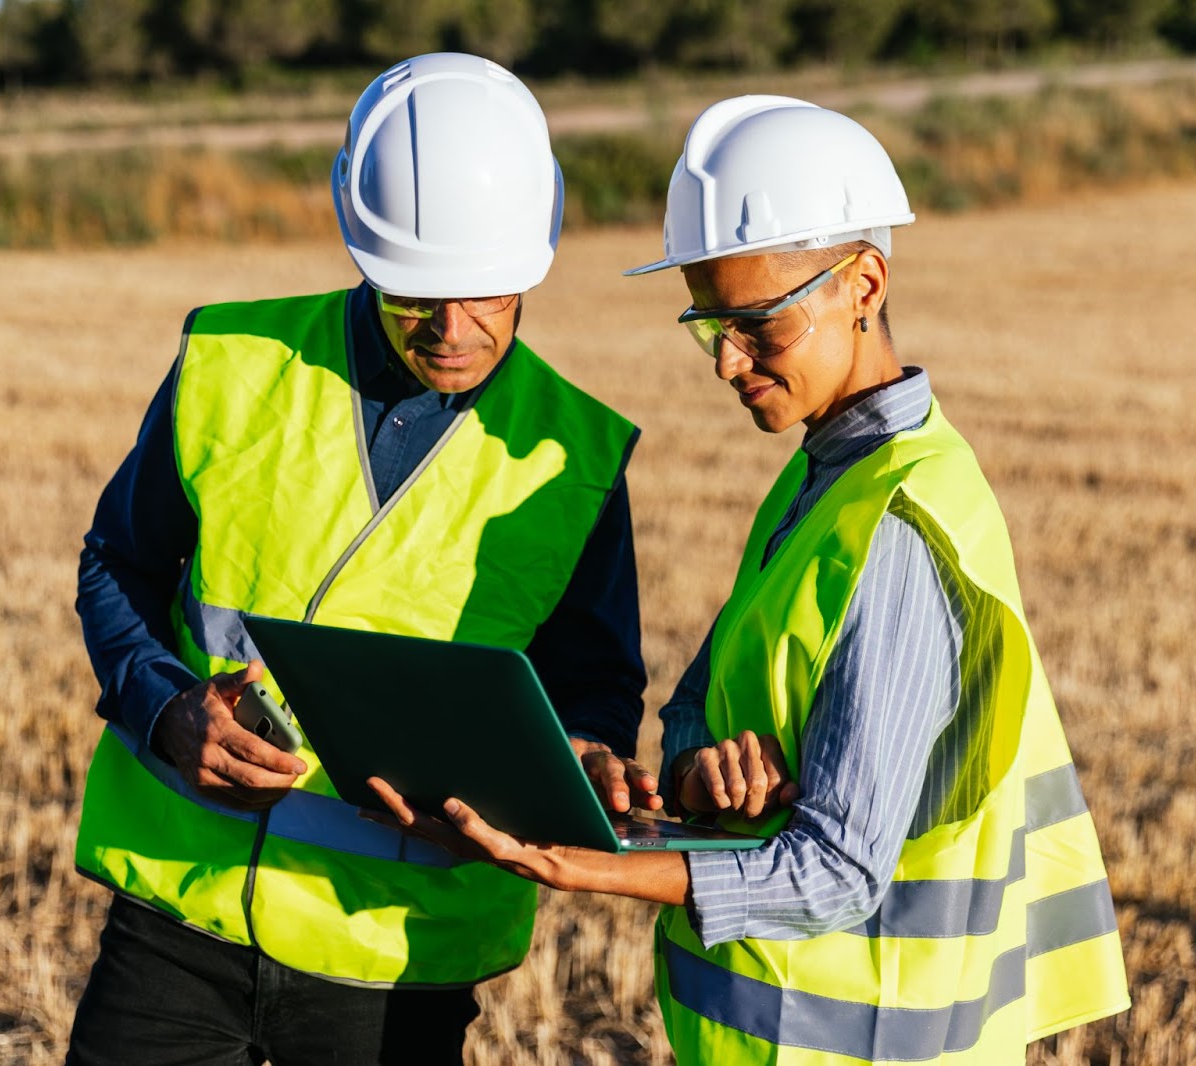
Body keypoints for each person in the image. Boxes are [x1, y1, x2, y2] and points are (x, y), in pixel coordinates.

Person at [369, 96, 1131, 1064]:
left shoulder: (896, 524)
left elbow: (837, 872)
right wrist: (697, 773)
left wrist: (597, 862)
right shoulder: (819, 483)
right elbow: (696, 707)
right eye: (708, 325)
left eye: (756, 325)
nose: (727, 361)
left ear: (862, 284)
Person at [63, 52, 684, 1066]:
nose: (451, 329)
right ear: (360, 246)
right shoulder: (231, 364)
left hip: (399, 960)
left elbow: (594, 686)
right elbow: (116, 564)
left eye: (487, 295)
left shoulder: (572, 454)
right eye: (415, 296)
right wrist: (166, 710)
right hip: (178, 924)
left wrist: (583, 758)